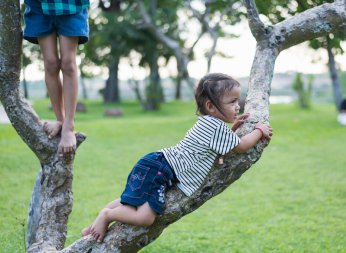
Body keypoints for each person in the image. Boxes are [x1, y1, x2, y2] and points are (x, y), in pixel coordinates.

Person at [81, 73, 273, 243]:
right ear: (210, 106)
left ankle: (94, 227)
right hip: (160, 169)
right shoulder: (214, 126)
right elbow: (240, 147)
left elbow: (221, 147)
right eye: (232, 102)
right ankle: (106, 215)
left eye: (237, 101)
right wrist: (258, 131)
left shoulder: (210, 124)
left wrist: (234, 129)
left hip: (156, 164)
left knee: (134, 199)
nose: (237, 106)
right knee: (146, 217)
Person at [23, 0, 90, 154]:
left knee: (68, 63)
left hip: (72, 5)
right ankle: (60, 119)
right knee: (51, 63)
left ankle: (69, 127)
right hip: (39, 5)